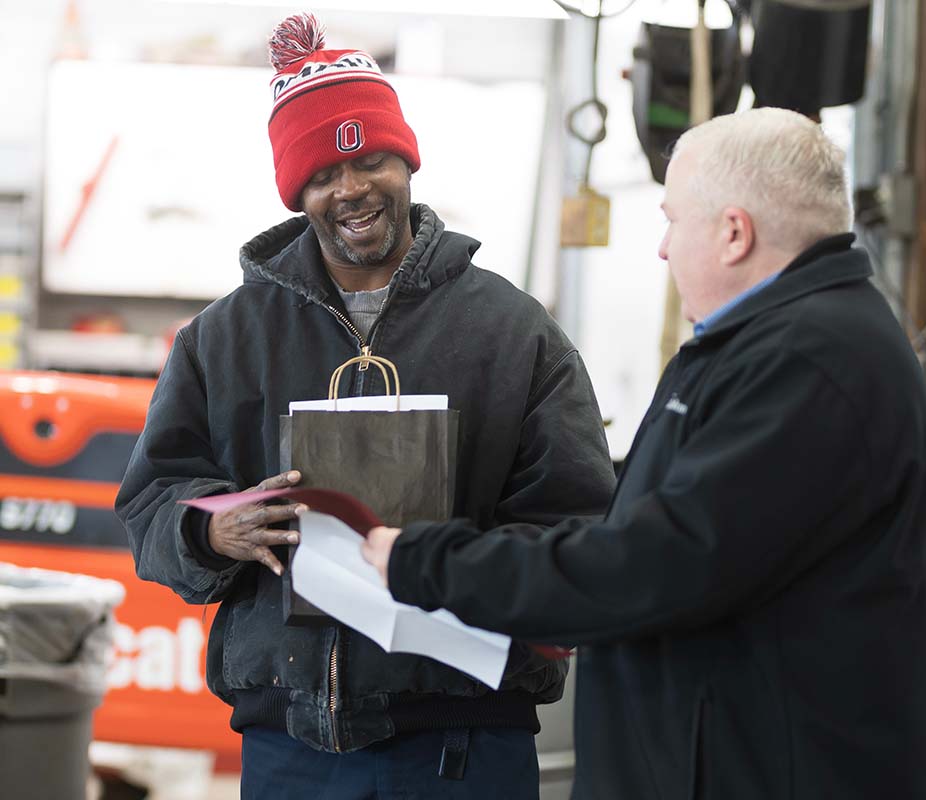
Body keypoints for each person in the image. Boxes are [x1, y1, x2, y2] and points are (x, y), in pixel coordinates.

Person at [363, 107, 926, 799]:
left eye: (674, 221)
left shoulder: (809, 362)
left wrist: (428, 562)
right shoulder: (767, 345)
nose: (664, 249)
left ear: (734, 232)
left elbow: (657, 562)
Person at [116, 13, 615, 799]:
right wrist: (208, 529)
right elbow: (150, 504)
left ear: (406, 161)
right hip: (290, 748)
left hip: (465, 737)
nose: (350, 189)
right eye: (323, 174)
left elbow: (577, 524)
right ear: (297, 191)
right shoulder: (222, 340)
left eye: (371, 159)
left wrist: (453, 568)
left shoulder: (514, 334)